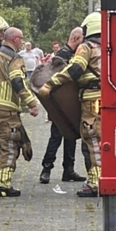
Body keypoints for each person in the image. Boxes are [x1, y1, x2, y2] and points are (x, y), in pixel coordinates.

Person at [40, 12, 102, 198]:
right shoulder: (111, 48)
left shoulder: (87, 47)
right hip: (112, 99)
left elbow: (75, 69)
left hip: (92, 100)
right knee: (107, 141)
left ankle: (97, 183)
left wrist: (50, 84)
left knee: (92, 140)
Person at [0, 27, 39, 196]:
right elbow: (18, 82)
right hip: (6, 111)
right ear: (14, 39)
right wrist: (32, 103)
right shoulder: (14, 59)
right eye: (21, 38)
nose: (21, 42)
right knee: (9, 147)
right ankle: (2, 184)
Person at [39, 27, 89, 185]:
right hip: (60, 106)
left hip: (72, 105)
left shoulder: (75, 54)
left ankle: (69, 170)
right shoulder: (62, 55)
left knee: (72, 137)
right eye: (82, 39)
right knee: (56, 137)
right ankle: (46, 168)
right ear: (75, 39)